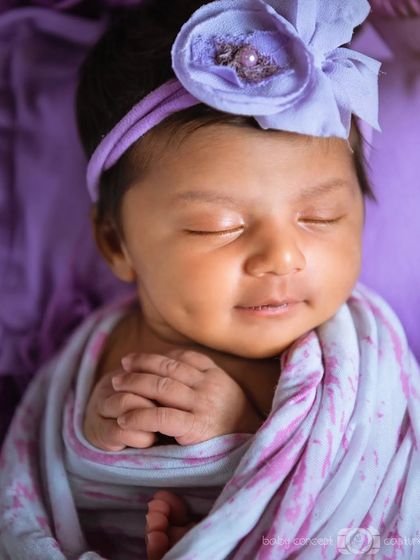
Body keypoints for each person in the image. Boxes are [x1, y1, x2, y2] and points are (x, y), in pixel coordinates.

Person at [1, 1, 419, 559]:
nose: (281, 257)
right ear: (115, 244)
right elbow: (54, 477)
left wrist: (239, 432)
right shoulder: (92, 354)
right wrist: (105, 437)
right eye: (216, 227)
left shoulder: (365, 360)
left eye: (321, 217)